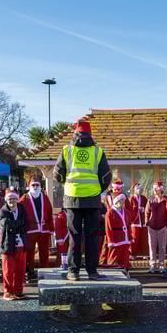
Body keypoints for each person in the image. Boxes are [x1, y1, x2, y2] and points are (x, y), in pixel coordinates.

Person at [54, 119, 112, 281]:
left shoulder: (66, 150)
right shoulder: (98, 152)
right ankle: (92, 271)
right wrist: (96, 190)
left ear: (75, 133)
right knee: (92, 237)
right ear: (90, 133)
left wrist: (68, 185)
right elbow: (107, 176)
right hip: (92, 200)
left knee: (74, 236)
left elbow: (57, 174)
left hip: (72, 199)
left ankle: (73, 271)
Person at [19, 179, 53, 281]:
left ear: (40, 186)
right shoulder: (24, 199)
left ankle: (45, 271)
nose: (35, 187)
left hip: (44, 230)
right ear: (29, 186)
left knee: (44, 252)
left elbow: (50, 213)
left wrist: (51, 229)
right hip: (30, 230)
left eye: (37, 185)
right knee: (29, 252)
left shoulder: (45, 198)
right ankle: (30, 272)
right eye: (33, 185)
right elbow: (20, 214)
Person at [0, 189, 28, 300]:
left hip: (21, 245)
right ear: (6, 200)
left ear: (17, 199)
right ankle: (7, 292)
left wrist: (14, 227)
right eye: (10, 198)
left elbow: (27, 225)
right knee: (8, 271)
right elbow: (6, 225)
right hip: (7, 245)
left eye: (14, 198)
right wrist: (18, 226)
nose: (12, 200)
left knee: (20, 270)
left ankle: (18, 291)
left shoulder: (22, 210)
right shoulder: (2, 211)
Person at [146, 181, 167, 274]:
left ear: (161, 189)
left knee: (162, 247)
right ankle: (152, 265)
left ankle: (161, 265)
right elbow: (147, 212)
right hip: (151, 227)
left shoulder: (166, 199)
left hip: (162, 227)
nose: (155, 190)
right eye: (154, 188)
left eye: (157, 188)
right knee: (152, 246)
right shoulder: (151, 199)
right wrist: (147, 223)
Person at [105, 193, 133, 269]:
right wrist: (111, 241)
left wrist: (130, 237)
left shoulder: (126, 212)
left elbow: (128, 226)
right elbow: (108, 228)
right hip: (116, 240)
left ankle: (125, 270)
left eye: (124, 201)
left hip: (125, 239)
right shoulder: (110, 213)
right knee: (114, 257)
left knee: (125, 257)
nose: (123, 202)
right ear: (116, 201)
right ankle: (111, 271)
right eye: (121, 201)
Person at [129, 183, 148, 259]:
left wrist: (143, 209)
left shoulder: (144, 198)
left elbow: (147, 208)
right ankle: (133, 254)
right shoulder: (131, 199)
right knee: (134, 238)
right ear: (135, 190)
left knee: (144, 238)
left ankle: (145, 254)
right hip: (135, 222)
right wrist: (136, 209)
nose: (140, 190)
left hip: (143, 221)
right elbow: (128, 210)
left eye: (141, 189)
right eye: (139, 189)